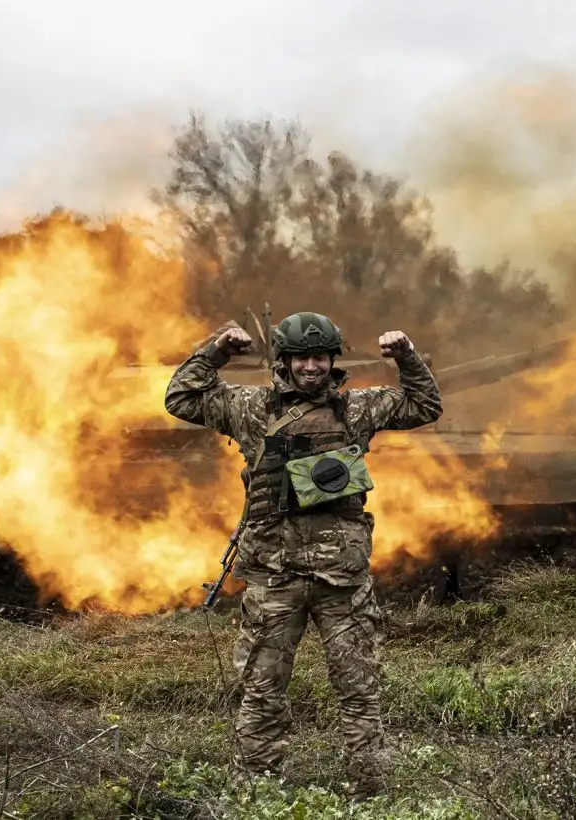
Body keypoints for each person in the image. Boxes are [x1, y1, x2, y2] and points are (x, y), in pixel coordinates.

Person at [163, 311, 442, 794]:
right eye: (300, 358)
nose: (310, 367)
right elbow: (181, 397)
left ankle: (369, 791)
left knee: (360, 691)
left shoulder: (357, 409)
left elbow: (425, 405)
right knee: (262, 692)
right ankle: (259, 790)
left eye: (318, 357)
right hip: (275, 578)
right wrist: (218, 349)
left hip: (342, 580)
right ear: (284, 362)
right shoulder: (250, 408)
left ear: (332, 360)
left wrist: (406, 356)